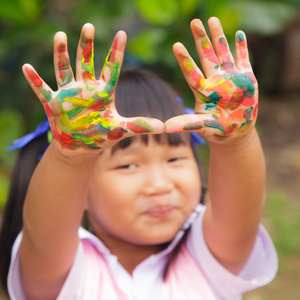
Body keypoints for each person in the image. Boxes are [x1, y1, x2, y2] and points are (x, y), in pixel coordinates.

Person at [0, 17, 277, 300]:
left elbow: (240, 210)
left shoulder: (211, 258)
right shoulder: (61, 274)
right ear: (80, 189)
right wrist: (72, 155)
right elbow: (44, 236)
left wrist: (237, 140)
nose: (159, 185)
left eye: (174, 160)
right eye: (128, 165)